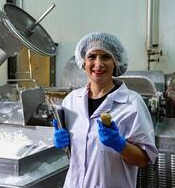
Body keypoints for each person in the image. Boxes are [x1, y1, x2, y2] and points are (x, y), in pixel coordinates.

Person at [53, 32, 158, 188]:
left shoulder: (132, 103)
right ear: (83, 62)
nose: (98, 64)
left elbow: (143, 159)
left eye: (105, 57)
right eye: (92, 56)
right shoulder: (71, 101)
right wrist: (62, 144)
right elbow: (78, 153)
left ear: (116, 62)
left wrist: (120, 145)